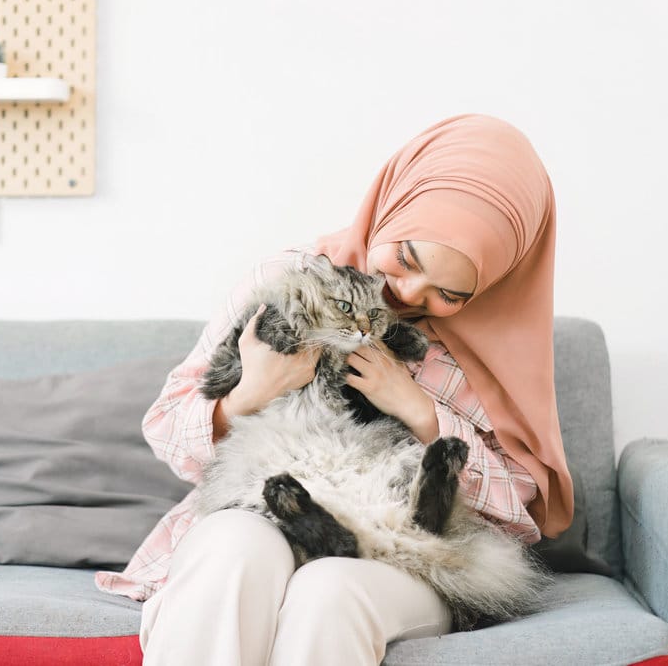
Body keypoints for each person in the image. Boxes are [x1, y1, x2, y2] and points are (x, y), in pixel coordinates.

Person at [95, 114, 574, 665]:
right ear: (390, 206)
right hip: (267, 505)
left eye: (450, 293)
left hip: (402, 548)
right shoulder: (293, 279)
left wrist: (422, 413)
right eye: (406, 258)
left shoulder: (501, 351)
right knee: (230, 553)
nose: (407, 292)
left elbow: (519, 516)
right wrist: (249, 393)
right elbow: (167, 430)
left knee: (330, 592)